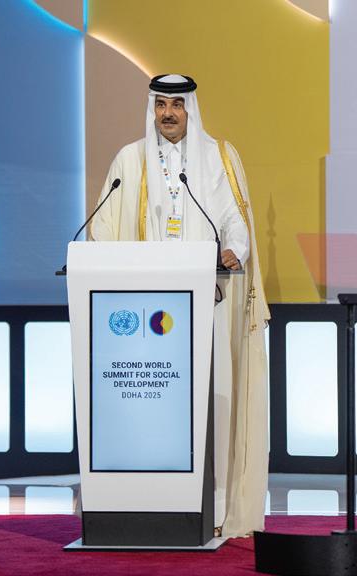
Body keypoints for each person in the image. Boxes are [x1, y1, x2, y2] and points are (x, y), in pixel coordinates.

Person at [90, 74, 270, 538]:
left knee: (210, 406)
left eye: (176, 104)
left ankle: (213, 508)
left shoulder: (217, 157)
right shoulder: (129, 160)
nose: (167, 113)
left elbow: (234, 219)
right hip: (144, 318)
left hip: (208, 303)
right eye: (160, 104)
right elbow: (102, 227)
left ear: (191, 108)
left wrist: (234, 250)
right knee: (151, 410)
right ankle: (146, 504)